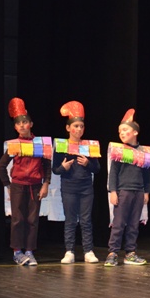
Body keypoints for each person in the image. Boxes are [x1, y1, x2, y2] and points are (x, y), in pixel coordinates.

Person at [0, 97, 51, 266]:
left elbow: (46, 165)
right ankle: (17, 252)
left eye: (25, 122)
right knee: (18, 219)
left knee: (32, 220)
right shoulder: (14, 145)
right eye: (18, 123)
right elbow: (0, 166)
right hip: (18, 186)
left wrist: (46, 183)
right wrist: (8, 185)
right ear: (15, 127)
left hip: (35, 186)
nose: (21, 126)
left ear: (31, 124)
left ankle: (29, 251)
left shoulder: (40, 143)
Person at [52, 101, 100, 264]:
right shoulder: (61, 146)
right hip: (69, 187)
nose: (79, 129)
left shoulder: (89, 146)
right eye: (76, 126)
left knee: (86, 220)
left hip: (86, 188)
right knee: (71, 220)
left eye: (81, 126)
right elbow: (55, 169)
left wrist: (88, 163)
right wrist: (63, 167)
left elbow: (97, 168)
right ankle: (69, 251)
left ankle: (88, 251)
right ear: (68, 128)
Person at [105, 109, 150, 267]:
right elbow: (113, 172)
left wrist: (147, 191)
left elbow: (146, 173)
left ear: (135, 132)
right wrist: (113, 191)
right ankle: (112, 253)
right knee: (118, 223)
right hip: (123, 191)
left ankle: (130, 253)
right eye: (120, 131)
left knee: (133, 224)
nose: (122, 133)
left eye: (125, 130)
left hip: (138, 191)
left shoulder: (144, 152)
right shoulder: (119, 150)